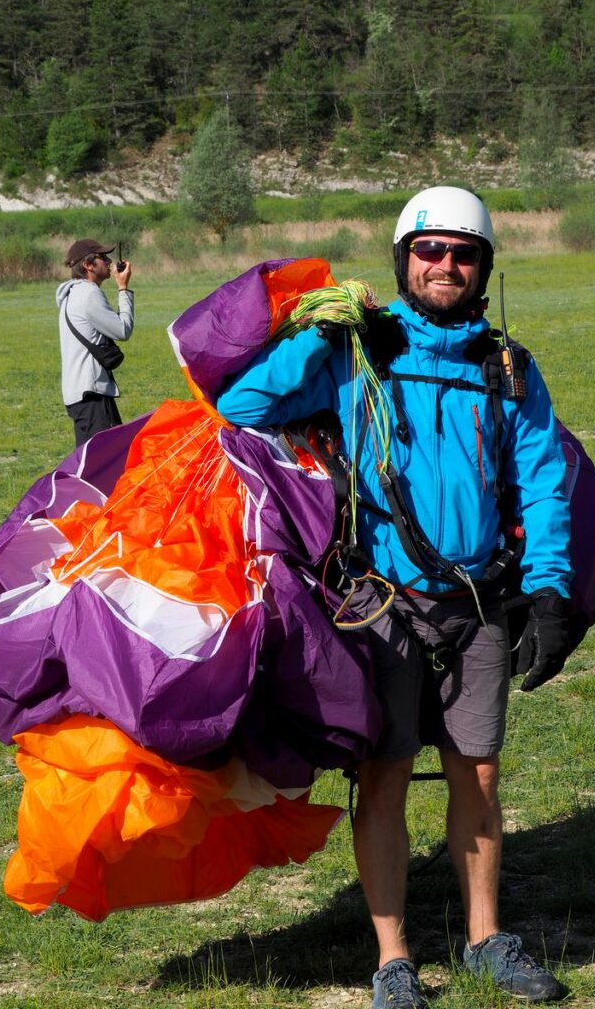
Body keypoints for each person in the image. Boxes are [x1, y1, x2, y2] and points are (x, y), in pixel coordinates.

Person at [217, 186, 572, 1006]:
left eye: (462, 253)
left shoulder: (506, 366)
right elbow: (243, 408)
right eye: (429, 251)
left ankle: (487, 941)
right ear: (404, 259)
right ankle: (393, 961)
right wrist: (322, 338)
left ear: (483, 267)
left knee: (477, 776)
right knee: (382, 777)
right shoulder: (358, 352)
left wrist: (549, 590)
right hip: (377, 603)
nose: (444, 265)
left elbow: (544, 480)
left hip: (480, 601)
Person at [56, 238, 134, 446]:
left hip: (79, 394)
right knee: (106, 463)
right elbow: (123, 330)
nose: (109, 262)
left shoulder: (72, 294)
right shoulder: (88, 294)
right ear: (88, 265)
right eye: (103, 257)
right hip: (92, 395)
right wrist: (123, 288)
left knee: (91, 464)